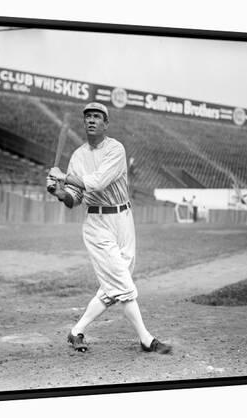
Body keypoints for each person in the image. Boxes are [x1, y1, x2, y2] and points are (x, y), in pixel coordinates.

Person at [47, 102, 172, 355]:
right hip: (97, 225)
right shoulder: (78, 156)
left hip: (123, 219)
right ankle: (146, 339)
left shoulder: (116, 149)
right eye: (88, 117)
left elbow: (98, 182)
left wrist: (63, 177)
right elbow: (75, 198)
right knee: (123, 285)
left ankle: (75, 332)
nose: (91, 120)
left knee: (114, 286)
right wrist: (59, 192)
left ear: (106, 123)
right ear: (85, 123)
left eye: (97, 117)